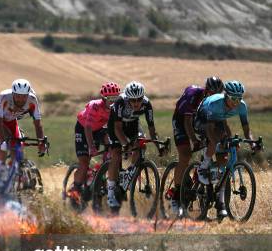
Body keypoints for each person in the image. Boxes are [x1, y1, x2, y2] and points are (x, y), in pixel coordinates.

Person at [194, 80, 258, 218]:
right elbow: (210, 130)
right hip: (202, 120)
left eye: (239, 98)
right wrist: (218, 141)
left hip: (218, 120)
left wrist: (252, 143)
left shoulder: (242, 106)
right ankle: (203, 166)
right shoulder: (215, 103)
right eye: (233, 98)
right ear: (226, 96)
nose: (236, 102)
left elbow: (247, 130)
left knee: (223, 160)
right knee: (215, 140)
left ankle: (221, 203)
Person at [170, 76, 224, 213]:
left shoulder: (216, 103)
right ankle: (175, 195)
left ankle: (200, 174)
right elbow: (187, 122)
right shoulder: (193, 95)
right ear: (206, 90)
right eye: (212, 94)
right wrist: (194, 140)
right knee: (185, 155)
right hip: (181, 121)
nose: (215, 97)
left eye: (218, 95)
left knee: (212, 142)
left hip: (197, 121)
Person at [106, 81, 160, 209]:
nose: (136, 103)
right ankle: (111, 192)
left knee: (142, 145)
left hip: (132, 125)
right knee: (116, 155)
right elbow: (118, 129)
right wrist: (126, 144)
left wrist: (159, 146)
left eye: (139, 99)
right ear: (128, 98)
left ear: (143, 97)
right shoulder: (120, 102)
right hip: (116, 126)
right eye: (133, 100)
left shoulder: (147, 104)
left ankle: (130, 173)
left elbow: (152, 129)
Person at [0, 78, 46, 187]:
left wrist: (41, 142)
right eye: (18, 95)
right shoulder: (4, 96)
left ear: (28, 94)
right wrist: (2, 140)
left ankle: (13, 171)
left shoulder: (32, 99)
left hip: (11, 120)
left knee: (18, 145)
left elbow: (38, 124)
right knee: (5, 144)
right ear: (13, 93)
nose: (21, 99)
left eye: (24, 96)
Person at [68, 82, 120, 204]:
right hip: (83, 128)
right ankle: (76, 187)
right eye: (110, 99)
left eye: (115, 98)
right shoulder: (95, 106)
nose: (113, 102)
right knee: (85, 162)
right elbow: (87, 128)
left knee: (111, 143)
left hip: (99, 129)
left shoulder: (117, 107)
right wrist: (91, 147)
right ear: (103, 98)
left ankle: (104, 166)